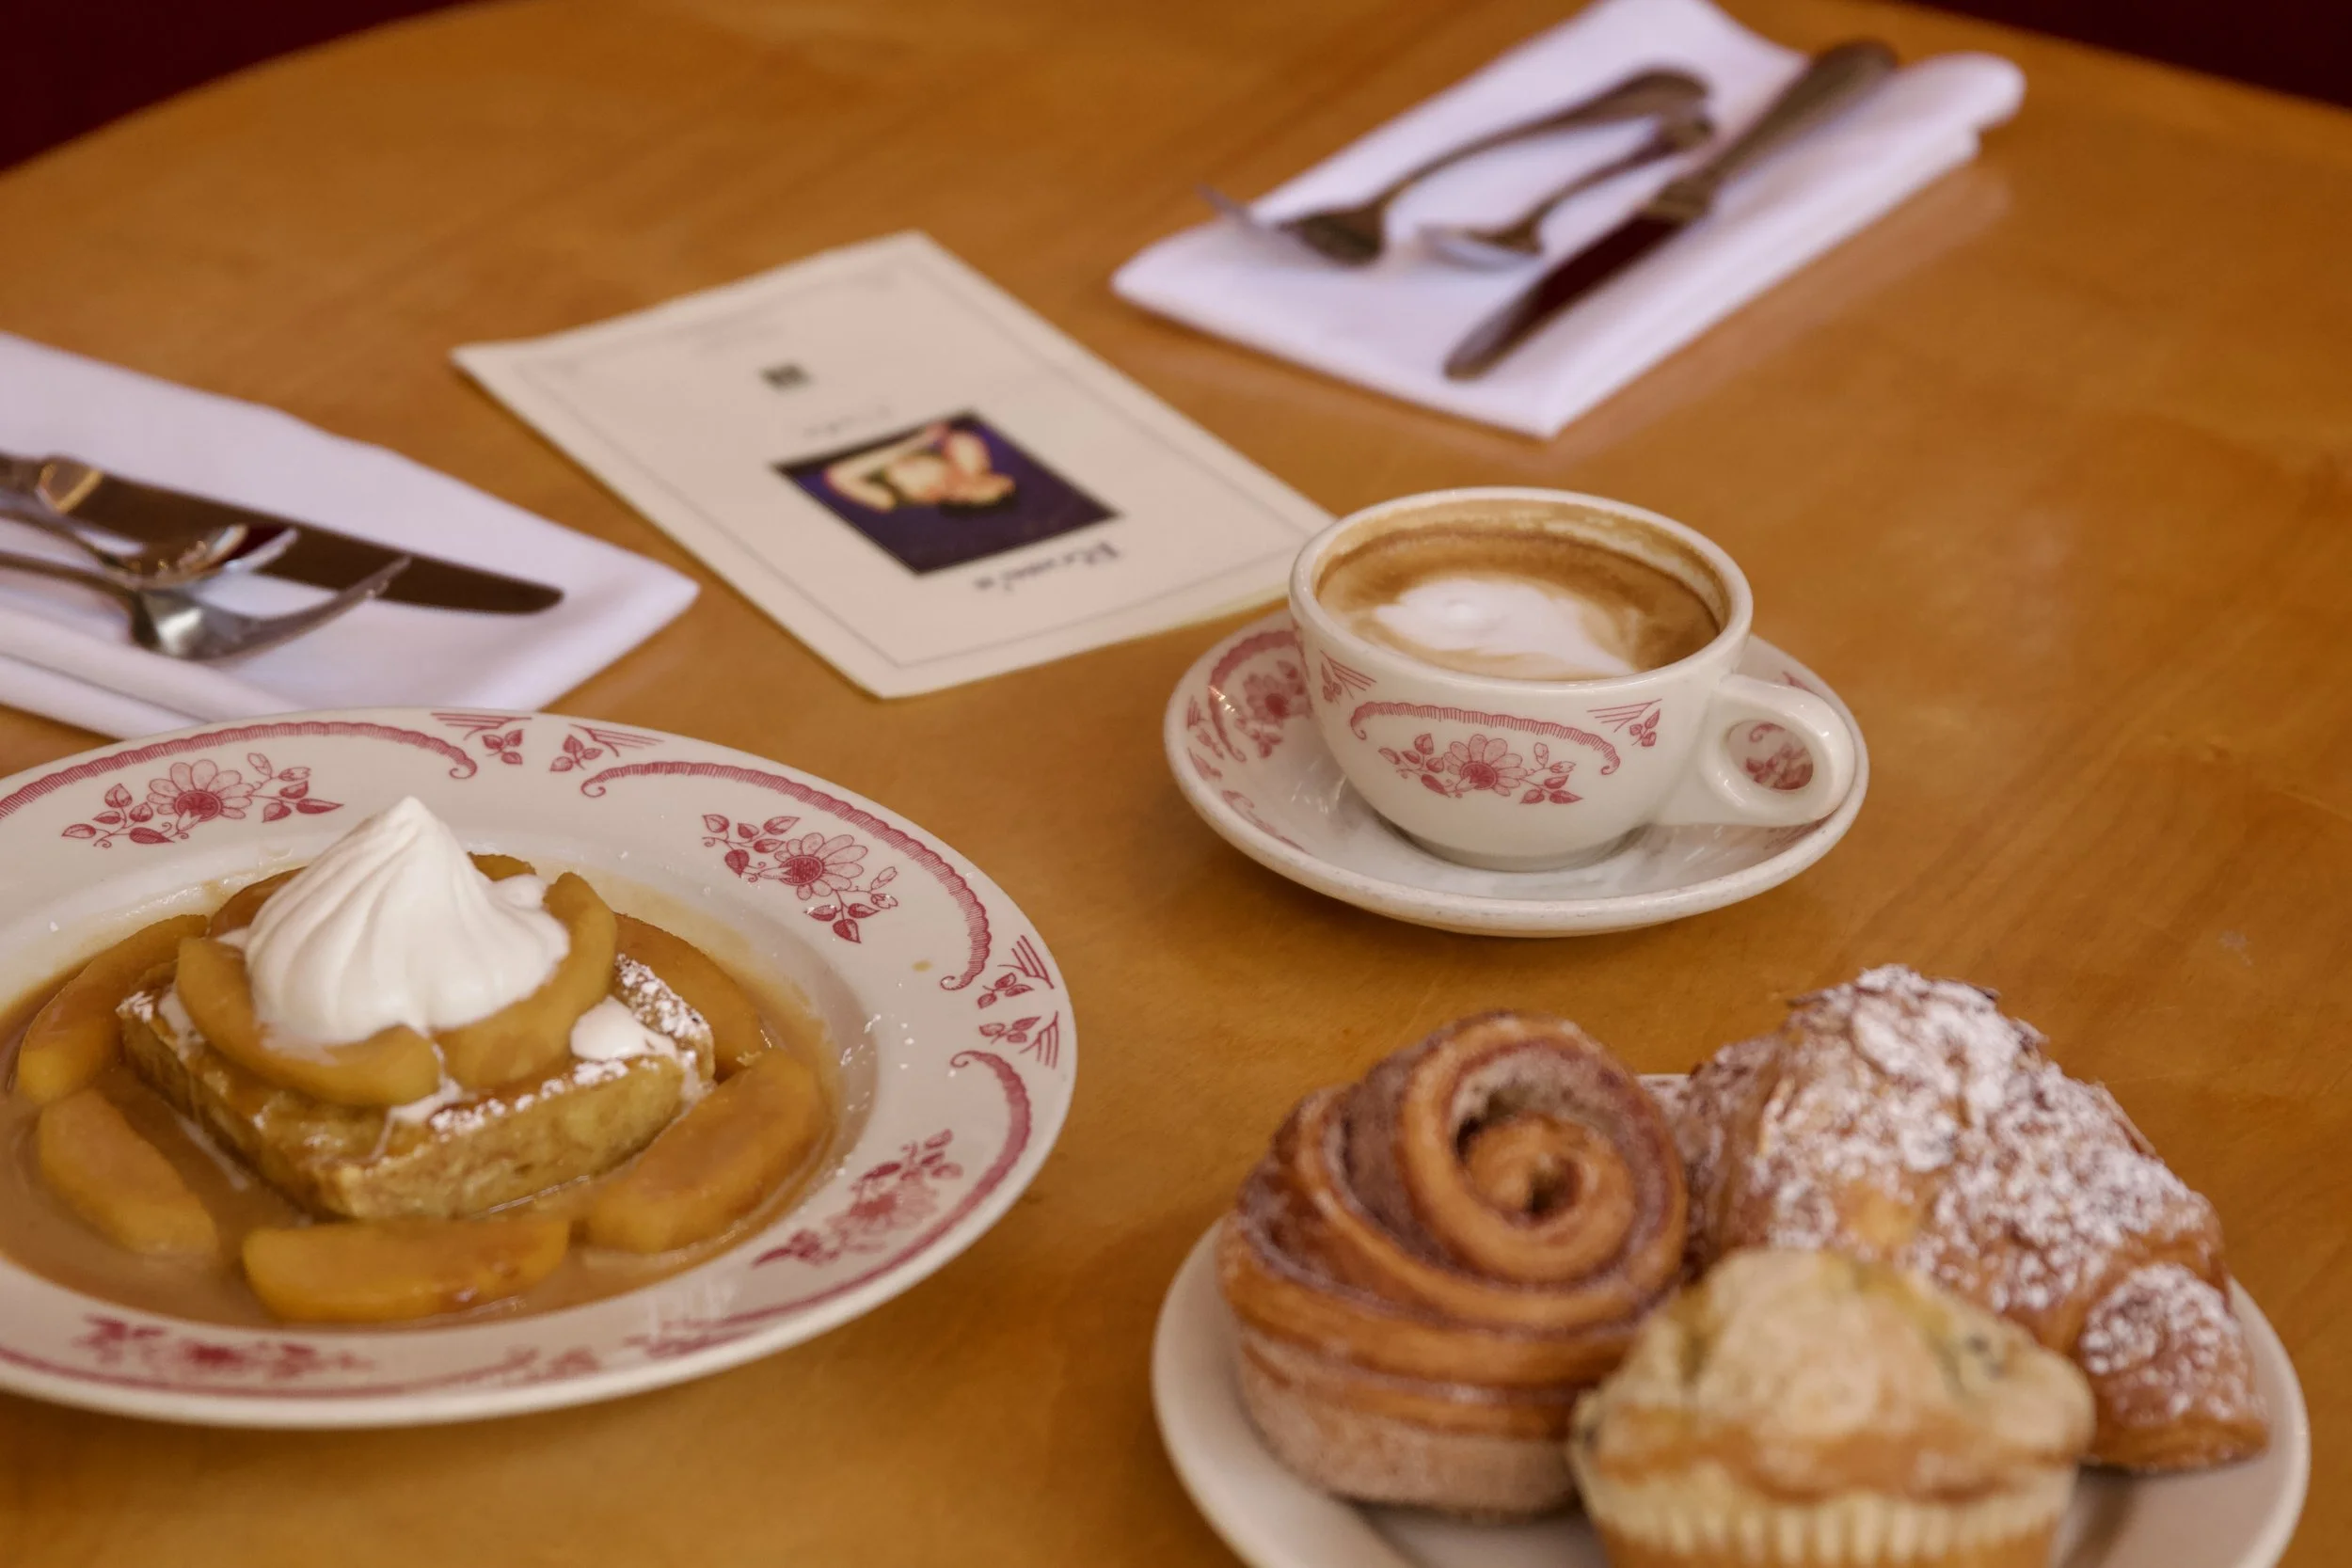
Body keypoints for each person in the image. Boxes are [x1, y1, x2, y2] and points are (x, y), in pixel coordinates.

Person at [821, 421, 1015, 513]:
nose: (968, 486)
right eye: (986, 478)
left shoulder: (888, 499)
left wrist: (915, 443)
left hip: (834, 444)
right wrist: (973, 469)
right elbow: (961, 437)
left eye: (974, 492)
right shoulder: (960, 467)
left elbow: (838, 474)